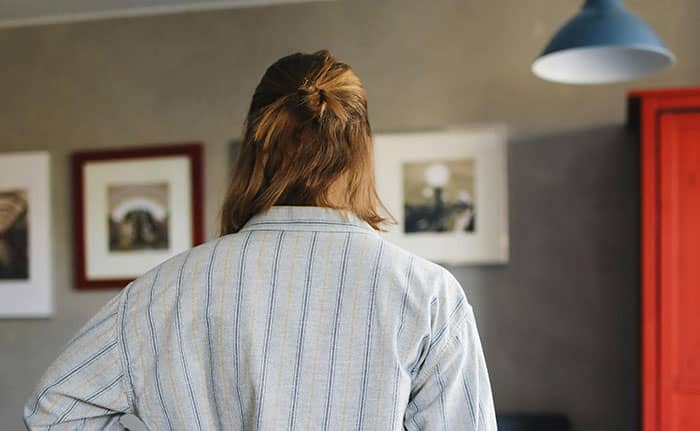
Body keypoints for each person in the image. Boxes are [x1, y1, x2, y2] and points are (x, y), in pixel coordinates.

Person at [23, 50, 497, 430]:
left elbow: (55, 413)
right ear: (360, 151)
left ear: (254, 150)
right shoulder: (428, 295)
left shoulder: (162, 291)